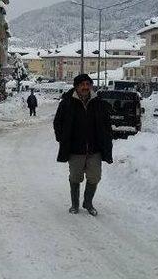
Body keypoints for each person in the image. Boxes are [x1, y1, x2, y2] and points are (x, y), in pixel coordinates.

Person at [53, 74, 113, 216]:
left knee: (95, 177)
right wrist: (62, 138)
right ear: (76, 86)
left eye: (88, 84)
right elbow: (57, 122)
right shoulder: (67, 103)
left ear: (91, 86)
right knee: (75, 177)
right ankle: (74, 204)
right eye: (82, 84)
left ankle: (88, 202)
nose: (85, 87)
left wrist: (107, 139)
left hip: (95, 149)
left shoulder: (98, 103)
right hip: (75, 149)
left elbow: (106, 125)